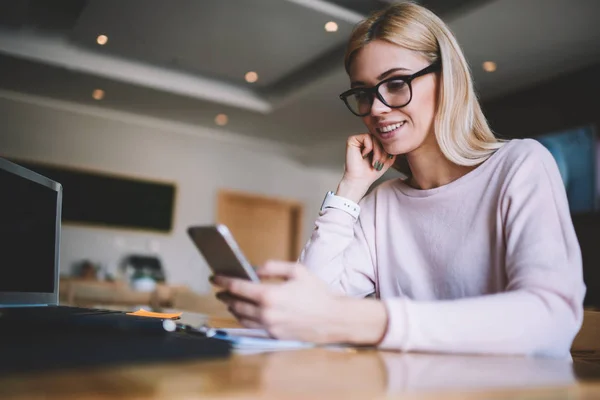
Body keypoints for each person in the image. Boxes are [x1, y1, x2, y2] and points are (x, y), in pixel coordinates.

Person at [212, 1, 586, 358]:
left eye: (395, 84)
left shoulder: (520, 165)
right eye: (363, 92)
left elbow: (551, 318)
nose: (375, 108)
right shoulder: (382, 203)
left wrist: (376, 322)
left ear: (446, 79)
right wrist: (351, 189)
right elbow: (313, 309)